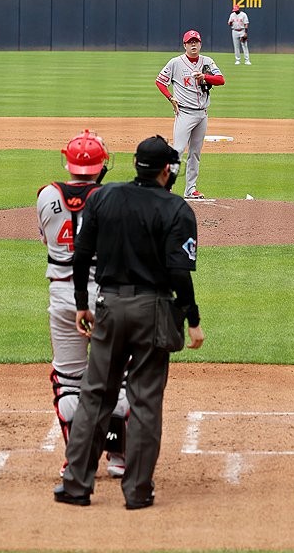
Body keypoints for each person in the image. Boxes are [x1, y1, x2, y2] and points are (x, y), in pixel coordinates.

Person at [54, 135, 204, 510]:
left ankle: (76, 486)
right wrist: (193, 320)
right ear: (166, 170)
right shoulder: (176, 209)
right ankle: (137, 491)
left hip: (107, 306)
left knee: (94, 396)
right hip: (152, 310)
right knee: (145, 401)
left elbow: (82, 254)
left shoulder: (103, 197)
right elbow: (178, 273)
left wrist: (81, 305)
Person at [36, 129, 128, 480]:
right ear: (103, 163)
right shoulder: (115, 197)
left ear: (68, 161)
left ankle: (76, 460)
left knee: (69, 380)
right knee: (119, 378)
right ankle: (119, 459)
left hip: (63, 296)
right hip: (108, 296)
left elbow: (46, 237)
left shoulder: (47, 195)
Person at [155, 30, 224, 200]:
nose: (193, 45)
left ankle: (191, 190)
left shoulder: (207, 61)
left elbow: (221, 80)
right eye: (190, 42)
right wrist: (171, 98)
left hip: (202, 114)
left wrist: (205, 77)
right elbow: (160, 81)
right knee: (177, 151)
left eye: (196, 42)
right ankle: (167, 186)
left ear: (200, 44)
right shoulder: (175, 63)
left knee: (195, 153)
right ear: (184, 45)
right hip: (184, 113)